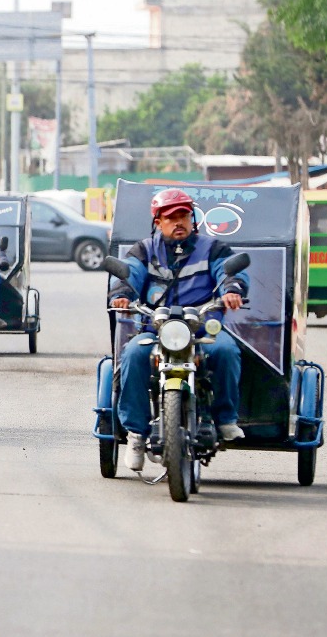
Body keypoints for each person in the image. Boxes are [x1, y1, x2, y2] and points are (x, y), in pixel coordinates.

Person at [108, 188, 249, 471]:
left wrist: (233, 290)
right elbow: (129, 275)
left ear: (192, 218)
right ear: (158, 222)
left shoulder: (213, 248)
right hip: (154, 327)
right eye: (171, 217)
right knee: (134, 355)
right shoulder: (144, 250)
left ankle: (225, 420)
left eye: (184, 215)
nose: (179, 222)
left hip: (201, 328)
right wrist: (122, 294)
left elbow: (230, 273)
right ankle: (136, 434)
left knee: (226, 350)